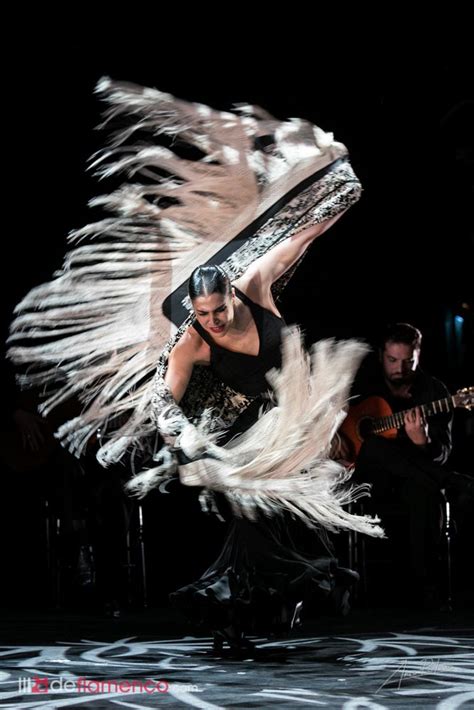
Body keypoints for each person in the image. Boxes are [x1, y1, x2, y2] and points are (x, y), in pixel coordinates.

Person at [152, 220, 382, 654]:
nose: (213, 321)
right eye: (202, 314)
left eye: (219, 309)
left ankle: (251, 605)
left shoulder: (254, 285)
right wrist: (179, 438)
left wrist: (340, 197)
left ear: (231, 295)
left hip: (300, 415)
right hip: (256, 431)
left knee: (273, 516)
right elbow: (165, 399)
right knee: (248, 514)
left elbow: (301, 239)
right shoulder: (192, 344)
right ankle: (242, 612)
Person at [342, 322, 474, 605]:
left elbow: (443, 451)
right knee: (376, 444)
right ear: (381, 356)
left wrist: (422, 443)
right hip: (369, 478)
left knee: (421, 490)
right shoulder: (364, 386)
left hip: (413, 479)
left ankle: (423, 589)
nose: (399, 368)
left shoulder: (435, 393)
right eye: (392, 360)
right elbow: (335, 423)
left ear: (418, 356)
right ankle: (452, 482)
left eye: (407, 361)